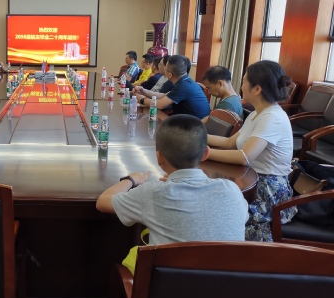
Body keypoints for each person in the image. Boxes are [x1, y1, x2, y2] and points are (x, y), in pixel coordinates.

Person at [96, 114, 247, 252]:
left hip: (171, 275)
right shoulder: (232, 191)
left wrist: (131, 179)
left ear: (159, 157)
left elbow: (102, 202)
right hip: (230, 274)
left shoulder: (152, 193)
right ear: (205, 153)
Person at [206, 60, 296, 242]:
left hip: (266, 188)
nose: (241, 86)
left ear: (257, 89)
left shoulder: (272, 117)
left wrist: (203, 153)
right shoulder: (257, 113)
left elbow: (243, 156)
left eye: (244, 81)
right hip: (250, 176)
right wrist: (197, 137)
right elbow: (230, 142)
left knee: (216, 206)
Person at [135, 55, 210, 119]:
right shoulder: (184, 80)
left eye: (165, 69)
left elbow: (160, 104)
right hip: (188, 120)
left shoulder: (183, 86)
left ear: (169, 75)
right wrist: (143, 91)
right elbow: (163, 96)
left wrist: (140, 99)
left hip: (194, 125)